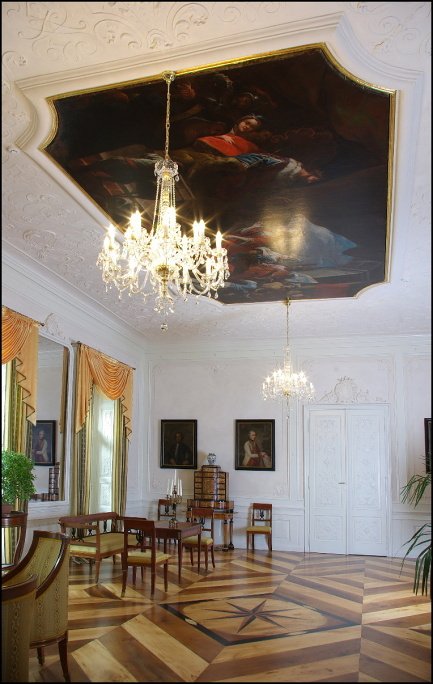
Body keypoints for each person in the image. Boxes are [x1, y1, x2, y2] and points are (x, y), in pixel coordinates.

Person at [194, 114, 321, 184]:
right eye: (247, 123)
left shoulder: (246, 142)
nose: (247, 127)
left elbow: (255, 153)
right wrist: (222, 137)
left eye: (251, 127)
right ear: (240, 120)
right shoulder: (223, 126)